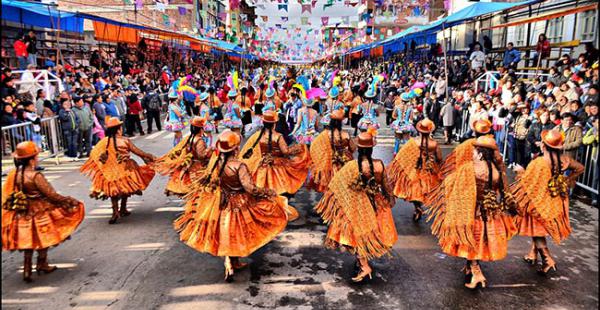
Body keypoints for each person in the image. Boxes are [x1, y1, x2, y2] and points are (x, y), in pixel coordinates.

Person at [174, 130, 293, 281]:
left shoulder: (216, 163)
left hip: (222, 203)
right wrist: (266, 192)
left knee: (226, 232)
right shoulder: (239, 165)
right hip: (240, 204)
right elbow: (250, 188)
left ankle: (231, 261)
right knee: (237, 233)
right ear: (236, 148)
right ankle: (231, 261)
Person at [426, 136, 518, 289]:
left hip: (472, 213)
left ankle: (477, 274)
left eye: (474, 151)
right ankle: (470, 266)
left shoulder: (469, 168)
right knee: (479, 241)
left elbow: (453, 184)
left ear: (481, 153)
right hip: (490, 213)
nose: (473, 154)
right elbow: (505, 192)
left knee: (471, 241)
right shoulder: (497, 170)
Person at [314, 130, 397, 282]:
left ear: (359, 148)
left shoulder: (351, 166)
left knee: (358, 236)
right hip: (376, 205)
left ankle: (365, 266)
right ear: (372, 148)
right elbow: (386, 186)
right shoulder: (379, 165)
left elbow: (335, 185)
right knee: (368, 234)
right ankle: (362, 263)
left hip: (357, 208)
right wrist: (390, 199)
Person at [2, 141, 84, 282]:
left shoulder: (15, 174)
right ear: (32, 158)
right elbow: (51, 195)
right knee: (43, 238)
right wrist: (68, 200)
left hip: (23, 213)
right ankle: (42, 264)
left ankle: (27, 270)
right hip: (41, 211)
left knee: (28, 240)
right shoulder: (36, 176)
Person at [511, 129, 584, 275]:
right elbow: (580, 168)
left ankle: (548, 260)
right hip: (554, 199)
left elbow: (527, 183)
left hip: (538, 202)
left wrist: (519, 171)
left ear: (543, 146)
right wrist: (567, 180)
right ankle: (533, 254)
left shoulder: (539, 162)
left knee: (538, 232)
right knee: (537, 229)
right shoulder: (564, 159)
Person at [80, 117, 155, 224]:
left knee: (113, 192)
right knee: (125, 189)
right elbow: (138, 152)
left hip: (110, 172)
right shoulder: (124, 141)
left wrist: (104, 165)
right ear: (119, 129)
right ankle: (123, 208)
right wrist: (149, 156)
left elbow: (94, 154)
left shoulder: (103, 142)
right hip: (126, 170)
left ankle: (115, 211)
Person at [240, 111, 310, 196]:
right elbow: (286, 151)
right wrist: (299, 148)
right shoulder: (278, 136)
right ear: (275, 123)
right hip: (278, 165)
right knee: (281, 189)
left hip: (263, 165)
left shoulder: (258, 135)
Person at [387, 118, 442, 222]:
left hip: (415, 170)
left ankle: (417, 207)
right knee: (423, 191)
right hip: (429, 170)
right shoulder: (434, 144)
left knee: (415, 191)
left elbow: (401, 155)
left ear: (419, 130)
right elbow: (439, 158)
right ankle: (418, 207)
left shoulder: (413, 142)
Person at [153, 116, 213, 197]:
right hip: (197, 167)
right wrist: (210, 150)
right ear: (200, 129)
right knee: (199, 189)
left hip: (190, 165)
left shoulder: (189, 138)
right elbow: (201, 155)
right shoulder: (199, 141)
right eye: (203, 128)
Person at [309, 109, 356, 192]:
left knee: (330, 190)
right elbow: (353, 148)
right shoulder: (346, 135)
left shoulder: (324, 134)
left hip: (330, 163)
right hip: (344, 162)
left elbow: (314, 147)